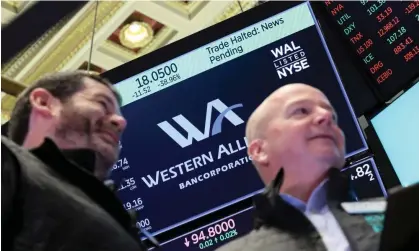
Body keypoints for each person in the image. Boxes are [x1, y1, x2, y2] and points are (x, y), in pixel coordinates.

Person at [215, 83, 382, 251]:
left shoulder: (398, 212)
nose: (325, 116)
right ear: (259, 151)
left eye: (333, 117)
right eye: (301, 111)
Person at [1, 71, 146, 251]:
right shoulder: (6, 161)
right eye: (102, 103)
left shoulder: (119, 217)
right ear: (43, 102)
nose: (121, 122)